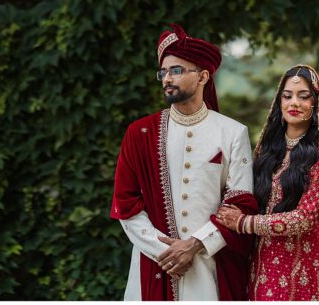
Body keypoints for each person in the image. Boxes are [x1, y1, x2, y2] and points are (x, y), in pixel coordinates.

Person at [110, 24, 257, 301]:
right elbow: (126, 204)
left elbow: (240, 202)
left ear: (203, 76)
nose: (167, 78)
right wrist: (165, 252)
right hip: (154, 264)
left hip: (210, 263)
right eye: (162, 72)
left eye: (176, 70)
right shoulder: (140, 133)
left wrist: (195, 244)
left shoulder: (232, 132)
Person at [215, 65, 319, 301]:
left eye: (303, 97)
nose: (294, 103)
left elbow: (305, 218)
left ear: (315, 105)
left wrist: (243, 223)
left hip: (307, 274)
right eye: (287, 96)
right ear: (279, 101)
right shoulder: (266, 150)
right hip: (261, 271)